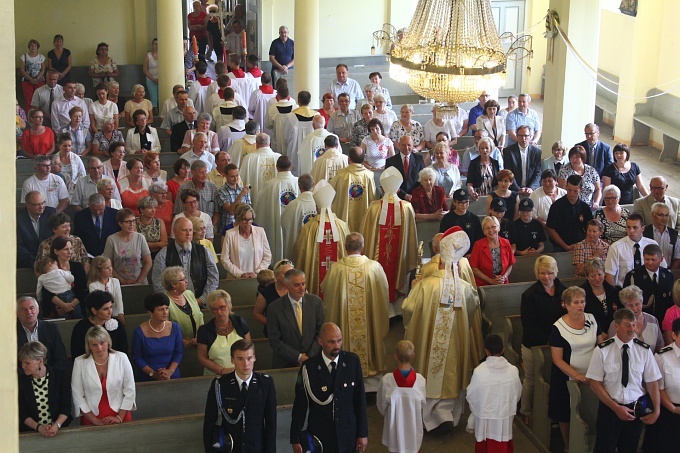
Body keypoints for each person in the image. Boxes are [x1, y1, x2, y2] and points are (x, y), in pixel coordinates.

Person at [402, 226, 484, 430]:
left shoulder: (425, 285)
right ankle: (450, 416)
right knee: (452, 371)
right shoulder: (465, 289)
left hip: (429, 346)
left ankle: (427, 415)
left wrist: (413, 291)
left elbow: (408, 310)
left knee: (430, 369)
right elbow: (473, 312)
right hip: (456, 344)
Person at [586, 308, 661, 453]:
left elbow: (652, 382)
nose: (632, 329)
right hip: (610, 410)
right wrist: (616, 408)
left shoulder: (644, 351)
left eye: (634, 325)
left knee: (630, 449)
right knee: (604, 448)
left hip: (635, 410)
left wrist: (657, 410)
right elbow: (595, 383)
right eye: (627, 325)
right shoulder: (602, 350)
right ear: (616, 326)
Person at [321, 232, 389, 387]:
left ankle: (346, 377)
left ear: (345, 247)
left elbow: (326, 290)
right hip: (369, 327)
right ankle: (371, 385)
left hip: (345, 326)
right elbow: (383, 294)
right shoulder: (374, 267)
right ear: (363, 247)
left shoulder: (336, 269)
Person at [290, 322, 368, 453]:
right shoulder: (309, 368)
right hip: (321, 436)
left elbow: (360, 400)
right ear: (320, 342)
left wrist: (363, 433)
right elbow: (300, 406)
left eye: (339, 341)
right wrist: (295, 438)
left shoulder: (352, 362)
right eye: (331, 342)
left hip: (348, 435)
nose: (337, 346)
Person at [549, 286, 605, 449]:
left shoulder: (592, 319)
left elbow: (601, 345)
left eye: (582, 301)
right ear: (565, 305)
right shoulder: (558, 327)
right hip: (566, 377)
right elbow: (557, 359)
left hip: (592, 373)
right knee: (565, 411)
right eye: (576, 302)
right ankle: (568, 445)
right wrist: (577, 375)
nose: (580, 305)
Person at [203, 339, 277, 452]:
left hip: (256, 447)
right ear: (232, 360)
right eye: (240, 359)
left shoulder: (265, 383)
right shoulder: (221, 384)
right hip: (230, 447)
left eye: (249, 358)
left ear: (255, 358)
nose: (246, 364)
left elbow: (271, 423)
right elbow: (209, 421)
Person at [519, 255, 567, 424]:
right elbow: (529, 325)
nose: (547, 277)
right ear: (537, 273)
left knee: (555, 380)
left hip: (559, 344)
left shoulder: (564, 292)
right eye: (542, 273)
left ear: (556, 272)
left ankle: (552, 413)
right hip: (535, 345)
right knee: (532, 379)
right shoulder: (529, 295)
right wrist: (549, 342)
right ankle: (526, 411)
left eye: (550, 273)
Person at [361, 168, 418, 301]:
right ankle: (397, 311)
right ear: (398, 188)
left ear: (382, 188)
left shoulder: (374, 207)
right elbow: (411, 237)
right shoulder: (407, 207)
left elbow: (366, 234)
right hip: (399, 259)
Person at [466, 334, 522, 453]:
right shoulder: (513, 370)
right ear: (503, 349)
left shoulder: (479, 371)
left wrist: (478, 411)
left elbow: (472, 396)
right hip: (504, 419)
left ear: (486, 351)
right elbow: (516, 394)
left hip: (485, 419)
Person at [71, 325, 135, 426]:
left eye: (102, 343)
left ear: (108, 342)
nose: (99, 348)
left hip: (120, 414)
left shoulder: (122, 358)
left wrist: (119, 417)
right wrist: (94, 420)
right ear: (89, 346)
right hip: (91, 416)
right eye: (94, 345)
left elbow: (130, 390)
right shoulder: (79, 362)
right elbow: (77, 395)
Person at [152, 217, 219, 307]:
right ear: (174, 231)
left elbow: (213, 277)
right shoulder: (164, 254)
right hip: (173, 306)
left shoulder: (204, 251)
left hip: (202, 304)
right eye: (184, 230)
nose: (188, 234)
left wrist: (202, 300)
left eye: (190, 230)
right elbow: (158, 283)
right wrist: (174, 302)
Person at [267, 269, 324, 368]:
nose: (302, 288)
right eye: (297, 285)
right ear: (287, 286)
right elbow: (275, 340)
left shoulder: (316, 302)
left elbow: (321, 332)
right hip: (286, 363)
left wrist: (309, 357)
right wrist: (298, 357)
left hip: (313, 360)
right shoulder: (274, 308)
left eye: (303, 284)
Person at [377, 340, 426, 453]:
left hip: (395, 428)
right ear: (413, 356)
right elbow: (422, 404)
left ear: (395, 356)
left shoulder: (387, 380)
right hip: (413, 427)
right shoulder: (420, 380)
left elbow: (381, 405)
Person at [18, 341, 72, 435]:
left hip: (60, 430)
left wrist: (56, 426)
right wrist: (39, 428)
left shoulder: (59, 376)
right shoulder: (21, 381)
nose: (23, 366)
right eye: (22, 363)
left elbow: (66, 407)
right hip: (31, 433)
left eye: (27, 363)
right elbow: (22, 413)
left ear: (40, 361)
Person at [197, 290, 251, 376]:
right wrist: (222, 370)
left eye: (222, 307)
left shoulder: (240, 322)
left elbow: (249, 349)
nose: (219, 312)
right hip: (215, 376)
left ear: (229, 306)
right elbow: (202, 358)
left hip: (241, 374)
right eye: (215, 309)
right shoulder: (204, 330)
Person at [132, 293, 183, 381]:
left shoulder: (175, 327)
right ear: (150, 312)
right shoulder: (139, 332)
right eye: (160, 310)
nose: (165, 312)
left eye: (167, 308)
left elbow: (178, 352)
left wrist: (169, 371)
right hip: (148, 376)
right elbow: (137, 357)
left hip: (171, 375)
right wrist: (154, 374)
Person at [647, 317, 680, 450]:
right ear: (673, 335)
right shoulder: (662, 357)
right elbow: (659, 388)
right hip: (670, 413)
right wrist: (673, 409)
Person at [604, 213, 663, 288]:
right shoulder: (616, 248)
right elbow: (610, 275)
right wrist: (612, 296)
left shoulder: (652, 244)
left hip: (649, 290)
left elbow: (662, 268)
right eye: (628, 227)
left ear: (643, 228)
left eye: (635, 228)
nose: (631, 231)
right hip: (624, 291)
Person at [623, 244, 674, 324]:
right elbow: (626, 302)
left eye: (653, 260)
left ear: (661, 259)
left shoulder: (668, 275)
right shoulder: (633, 276)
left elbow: (671, 302)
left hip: (664, 321)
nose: (650, 262)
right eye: (647, 259)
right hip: (641, 321)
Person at [16, 296, 69, 372]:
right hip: (22, 378)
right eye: (23, 309)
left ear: (38, 310)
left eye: (31, 308)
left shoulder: (51, 329)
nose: (29, 312)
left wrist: (46, 373)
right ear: (17, 313)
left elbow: (61, 358)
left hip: (49, 375)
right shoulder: (11, 333)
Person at [70, 289, 128, 358]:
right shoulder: (80, 327)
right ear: (94, 310)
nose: (110, 312)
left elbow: (123, 350)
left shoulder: (117, 324)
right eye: (105, 309)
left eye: (111, 307)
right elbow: (77, 354)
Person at [608, 285, 664, 352]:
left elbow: (660, 347)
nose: (634, 309)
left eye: (637, 304)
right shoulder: (617, 323)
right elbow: (611, 349)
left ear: (642, 302)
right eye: (630, 305)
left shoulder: (653, 320)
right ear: (624, 306)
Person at [103, 208, 152, 285]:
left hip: (139, 281)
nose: (131, 224)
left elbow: (148, 262)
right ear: (120, 223)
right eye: (128, 222)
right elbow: (107, 264)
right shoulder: (112, 239)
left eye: (133, 221)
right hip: (118, 282)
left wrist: (138, 281)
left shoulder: (140, 237)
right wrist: (122, 281)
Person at [546, 174, 594, 252]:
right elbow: (551, 229)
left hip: (581, 246)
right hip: (560, 246)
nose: (572, 194)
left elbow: (589, 228)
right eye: (569, 190)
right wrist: (566, 247)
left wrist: (582, 244)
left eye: (575, 191)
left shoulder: (585, 208)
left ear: (581, 189)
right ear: (566, 187)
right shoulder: (557, 206)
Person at [161, 266, 205, 348]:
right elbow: (166, 329)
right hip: (177, 346)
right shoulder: (164, 302)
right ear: (173, 284)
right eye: (183, 279)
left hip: (199, 343)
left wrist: (200, 337)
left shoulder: (189, 294)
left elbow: (200, 316)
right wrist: (186, 342)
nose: (186, 281)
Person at [470, 216, 516, 286]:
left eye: (493, 227)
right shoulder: (478, 245)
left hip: (503, 282)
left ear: (499, 228)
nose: (491, 230)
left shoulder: (506, 242)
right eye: (487, 228)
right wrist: (491, 281)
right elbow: (474, 268)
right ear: (484, 232)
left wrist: (504, 277)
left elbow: (510, 264)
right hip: (483, 284)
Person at [254, 259, 294, 337]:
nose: (289, 277)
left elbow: (307, 308)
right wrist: (273, 324)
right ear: (276, 276)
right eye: (286, 274)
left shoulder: (298, 288)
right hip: (274, 334)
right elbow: (257, 314)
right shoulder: (267, 291)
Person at [439, 188, 483, 256]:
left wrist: (473, 253)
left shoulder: (474, 218)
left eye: (466, 202)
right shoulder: (447, 218)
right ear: (454, 202)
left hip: (471, 255)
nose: (464, 205)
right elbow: (443, 239)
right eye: (460, 203)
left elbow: (479, 239)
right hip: (452, 255)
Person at [18, 191, 56, 269]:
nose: (41, 206)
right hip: (27, 262)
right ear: (28, 205)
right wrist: (36, 263)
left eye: (43, 203)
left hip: (50, 261)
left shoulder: (51, 213)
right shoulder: (18, 218)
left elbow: (57, 238)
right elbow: (19, 246)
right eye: (37, 204)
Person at [582, 257, 620, 333]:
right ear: (587, 276)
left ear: (604, 273)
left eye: (600, 274)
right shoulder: (582, 293)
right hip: (591, 333)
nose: (597, 278)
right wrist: (599, 332)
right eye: (592, 276)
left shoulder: (613, 291)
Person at [558, 145, 602, 210]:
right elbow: (562, 190)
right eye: (572, 157)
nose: (574, 159)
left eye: (577, 157)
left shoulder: (591, 170)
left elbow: (598, 189)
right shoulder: (564, 170)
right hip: (570, 206)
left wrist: (596, 202)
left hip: (589, 207)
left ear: (583, 158)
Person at [502, 125, 542, 194]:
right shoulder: (508, 151)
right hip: (514, 190)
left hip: (532, 190)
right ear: (517, 136)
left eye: (526, 136)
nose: (524, 138)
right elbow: (508, 172)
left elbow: (538, 172)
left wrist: (531, 188)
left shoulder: (537, 152)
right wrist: (518, 189)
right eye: (521, 136)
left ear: (530, 136)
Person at [385, 135, 425, 200]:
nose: (406, 148)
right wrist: (404, 195)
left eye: (409, 145)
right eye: (403, 145)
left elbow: (422, 179)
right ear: (399, 145)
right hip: (397, 197)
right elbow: (390, 182)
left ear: (412, 146)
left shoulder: (419, 159)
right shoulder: (390, 161)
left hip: (416, 197)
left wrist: (414, 195)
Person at [88, 256, 124, 324]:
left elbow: (119, 298)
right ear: (98, 271)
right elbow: (98, 303)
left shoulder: (115, 281)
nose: (110, 269)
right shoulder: (93, 285)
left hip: (115, 315)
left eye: (110, 266)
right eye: (107, 268)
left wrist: (120, 313)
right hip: (101, 317)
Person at [644, 202, 680, 268]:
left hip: (669, 270)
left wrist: (669, 273)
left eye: (666, 215)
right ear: (653, 215)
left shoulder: (673, 234)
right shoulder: (644, 232)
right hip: (648, 270)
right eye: (661, 215)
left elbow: (677, 257)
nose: (664, 218)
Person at [18, 39, 47, 111]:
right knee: (28, 100)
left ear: (37, 47)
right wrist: (30, 79)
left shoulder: (41, 57)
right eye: (31, 45)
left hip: (39, 81)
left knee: (40, 99)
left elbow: (43, 69)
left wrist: (36, 79)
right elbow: (22, 69)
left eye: (35, 46)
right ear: (29, 46)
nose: (33, 47)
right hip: (27, 81)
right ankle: (29, 117)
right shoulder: (24, 56)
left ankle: (39, 116)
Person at [142, 38, 159, 108]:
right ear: (152, 45)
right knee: (153, 98)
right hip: (151, 80)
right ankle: (154, 114)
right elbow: (145, 70)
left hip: (161, 80)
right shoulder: (148, 55)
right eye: (155, 44)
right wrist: (153, 79)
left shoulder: (164, 54)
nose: (157, 46)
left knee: (161, 97)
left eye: (158, 44)